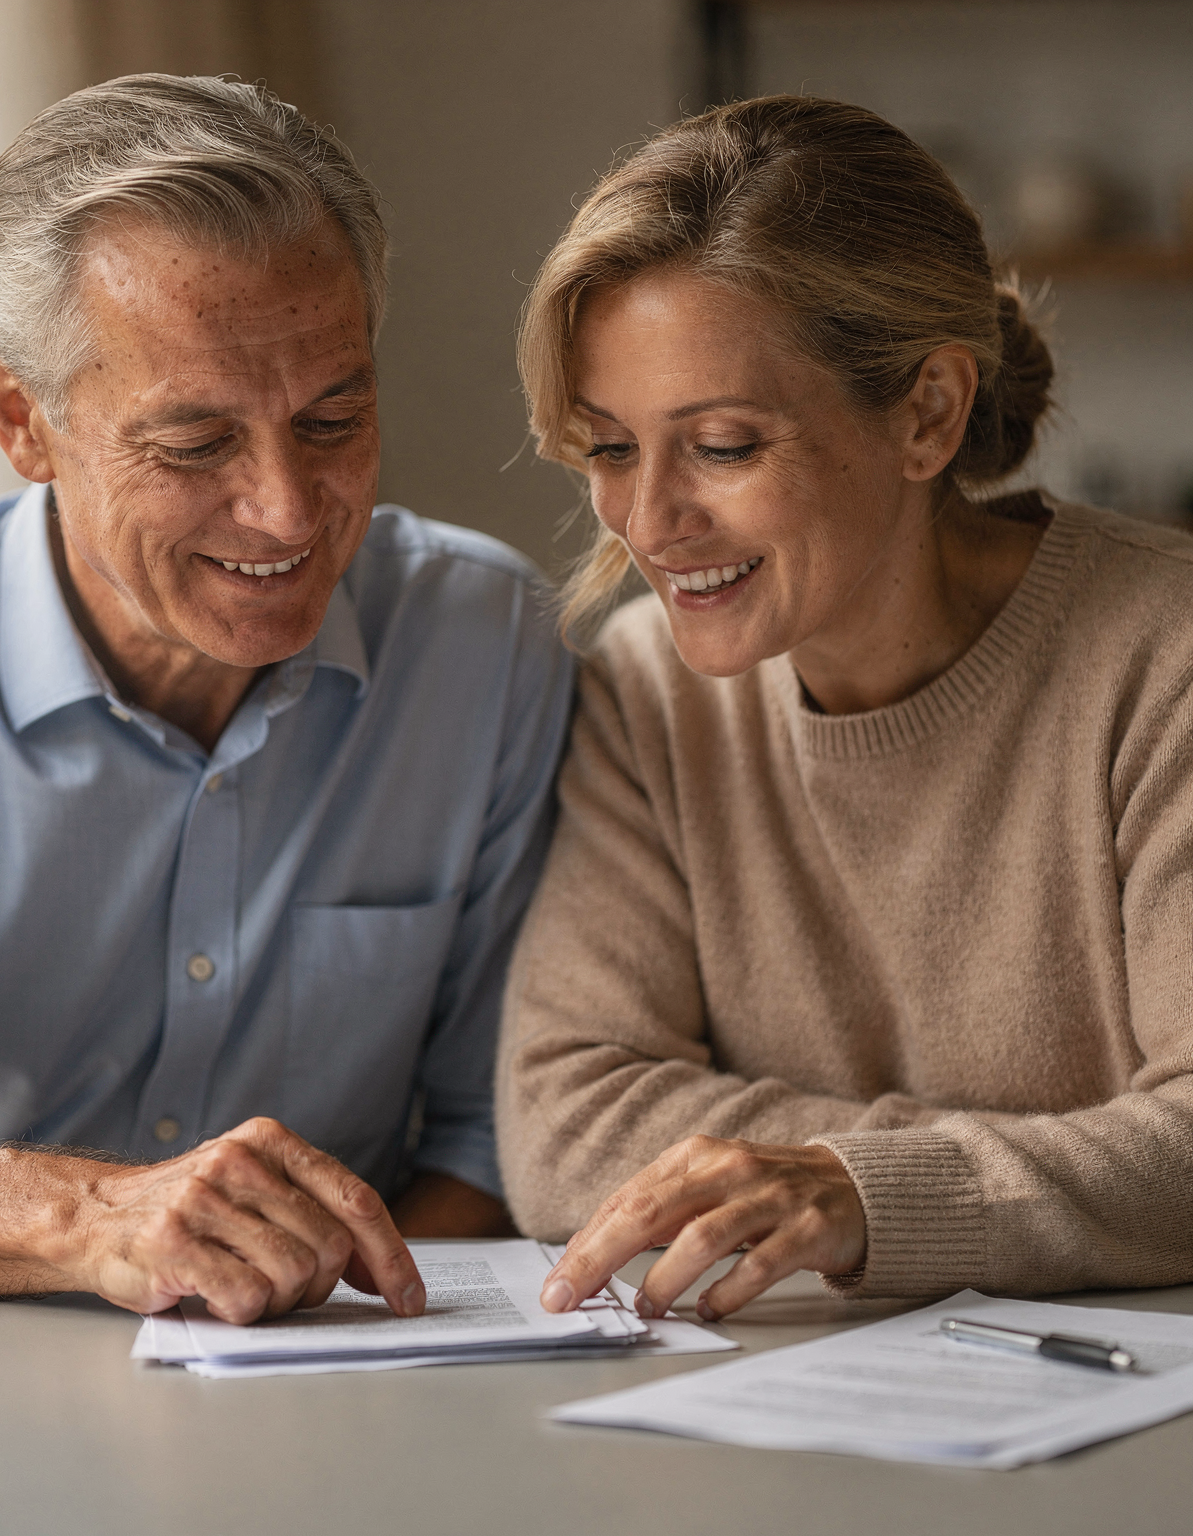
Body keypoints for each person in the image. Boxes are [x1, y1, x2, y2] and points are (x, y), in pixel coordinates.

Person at [0, 75, 572, 1323]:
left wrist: (301, 1337)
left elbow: (492, 1140)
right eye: (195, 444)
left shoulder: (491, 643)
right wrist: (92, 1222)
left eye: (334, 416)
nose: (289, 511)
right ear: (20, 417)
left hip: (325, 1385)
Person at [496, 95, 1193, 1325]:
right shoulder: (648, 692)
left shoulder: (1163, 661)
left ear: (926, 413)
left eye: (719, 445)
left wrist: (866, 1191)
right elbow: (565, 1123)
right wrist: (1066, 1169)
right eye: (610, 449)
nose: (649, 522)